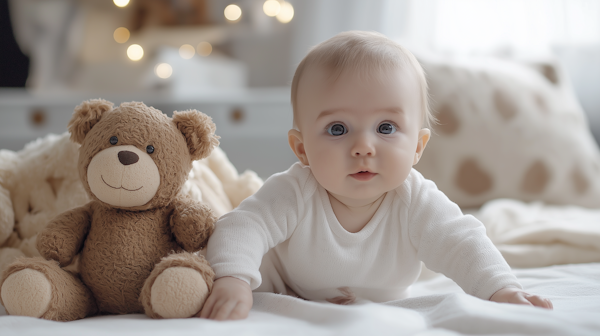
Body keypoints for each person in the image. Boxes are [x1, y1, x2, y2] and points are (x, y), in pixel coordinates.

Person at [199, 31, 553, 320]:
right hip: (287, 287)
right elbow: (243, 226)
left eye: (386, 127)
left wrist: (501, 289)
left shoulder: (415, 200)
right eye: (337, 129)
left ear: (417, 146)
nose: (363, 147)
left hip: (385, 305)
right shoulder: (295, 191)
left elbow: (462, 242)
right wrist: (234, 280)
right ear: (302, 149)